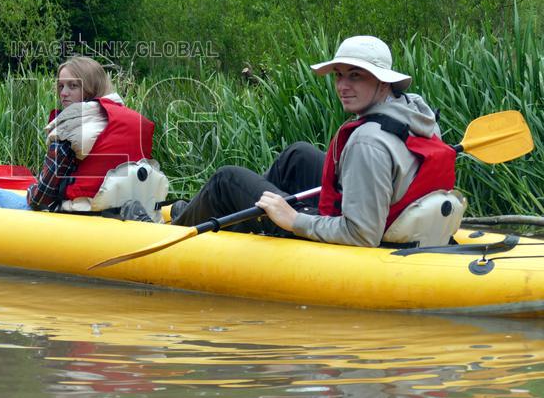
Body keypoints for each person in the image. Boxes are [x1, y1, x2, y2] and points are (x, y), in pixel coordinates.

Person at [171, 35, 457, 247]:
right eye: (339, 76)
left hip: (366, 236)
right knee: (298, 156)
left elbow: (362, 234)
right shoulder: (417, 115)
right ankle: (217, 215)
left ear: (383, 82)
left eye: (356, 77)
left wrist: (293, 220)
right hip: (390, 212)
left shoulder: (367, 143)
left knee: (226, 180)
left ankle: (176, 229)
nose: (343, 86)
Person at [0, 56, 155, 213]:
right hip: (112, 209)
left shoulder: (70, 127)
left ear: (91, 87)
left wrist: (32, 192)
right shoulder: (125, 119)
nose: (63, 93)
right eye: (61, 86)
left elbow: (40, 199)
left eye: (73, 86)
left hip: (74, 213)